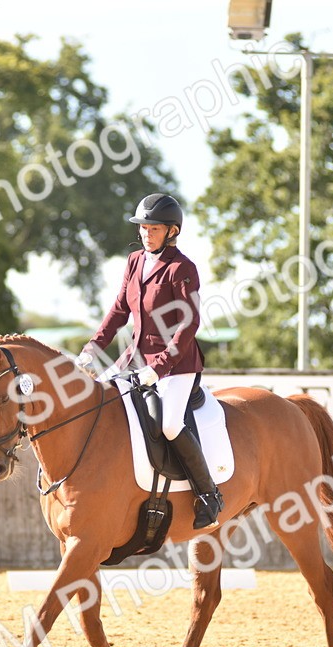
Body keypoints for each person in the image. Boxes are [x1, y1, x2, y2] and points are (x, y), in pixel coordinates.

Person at [77, 193, 224, 529]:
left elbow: (189, 325)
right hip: (134, 358)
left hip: (177, 365)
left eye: (153, 228)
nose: (145, 232)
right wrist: (92, 348)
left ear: (172, 231)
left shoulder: (182, 269)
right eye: (143, 227)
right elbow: (118, 310)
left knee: (170, 423)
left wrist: (157, 368)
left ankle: (209, 495)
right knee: (100, 402)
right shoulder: (134, 261)